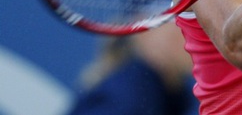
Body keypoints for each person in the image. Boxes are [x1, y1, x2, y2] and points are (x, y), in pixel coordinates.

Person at [67, 21, 198, 115]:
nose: (200, 37)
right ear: (144, 34)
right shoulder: (128, 98)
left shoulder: (168, 100)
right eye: (182, 28)